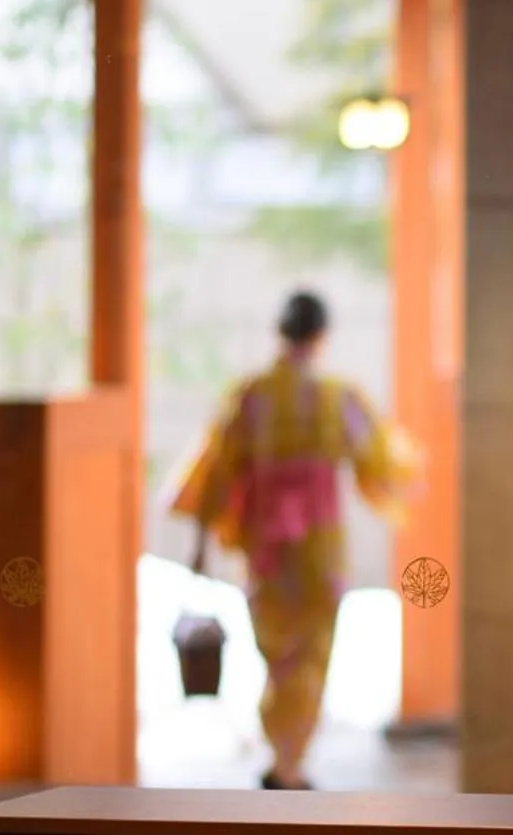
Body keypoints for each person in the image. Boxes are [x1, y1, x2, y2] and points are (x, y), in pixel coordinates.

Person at [169, 290, 419, 790]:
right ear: (322, 335)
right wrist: (407, 477)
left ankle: (282, 757)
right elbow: (381, 458)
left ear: (279, 332)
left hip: (266, 544)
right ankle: (291, 759)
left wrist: (200, 544)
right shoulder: (337, 395)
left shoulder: (251, 393)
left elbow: (217, 469)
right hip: (320, 545)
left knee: (277, 650)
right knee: (313, 648)